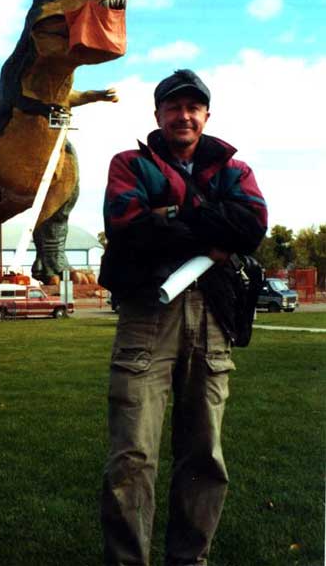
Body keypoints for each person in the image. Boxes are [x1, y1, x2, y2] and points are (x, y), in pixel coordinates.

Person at [98, 69, 267, 566]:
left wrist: (167, 215)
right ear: (158, 115)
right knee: (131, 456)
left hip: (212, 315)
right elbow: (128, 228)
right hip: (146, 315)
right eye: (173, 107)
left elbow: (251, 226)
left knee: (204, 455)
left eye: (193, 107)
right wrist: (210, 228)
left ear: (207, 115)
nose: (183, 115)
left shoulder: (234, 169)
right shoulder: (130, 163)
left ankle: (190, 561)